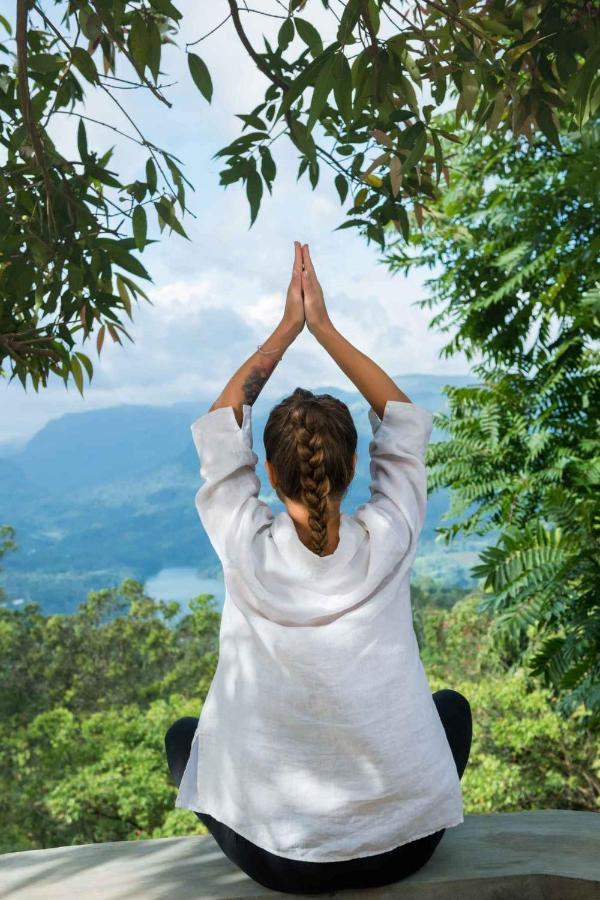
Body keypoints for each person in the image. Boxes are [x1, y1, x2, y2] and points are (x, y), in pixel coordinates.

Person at [165, 242, 472, 894]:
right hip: (404, 848)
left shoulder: (244, 549)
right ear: (355, 468)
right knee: (451, 711)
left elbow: (223, 427)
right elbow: (406, 423)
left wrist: (288, 328)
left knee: (185, 738)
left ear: (269, 474)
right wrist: (325, 328)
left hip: (276, 861)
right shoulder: (389, 539)